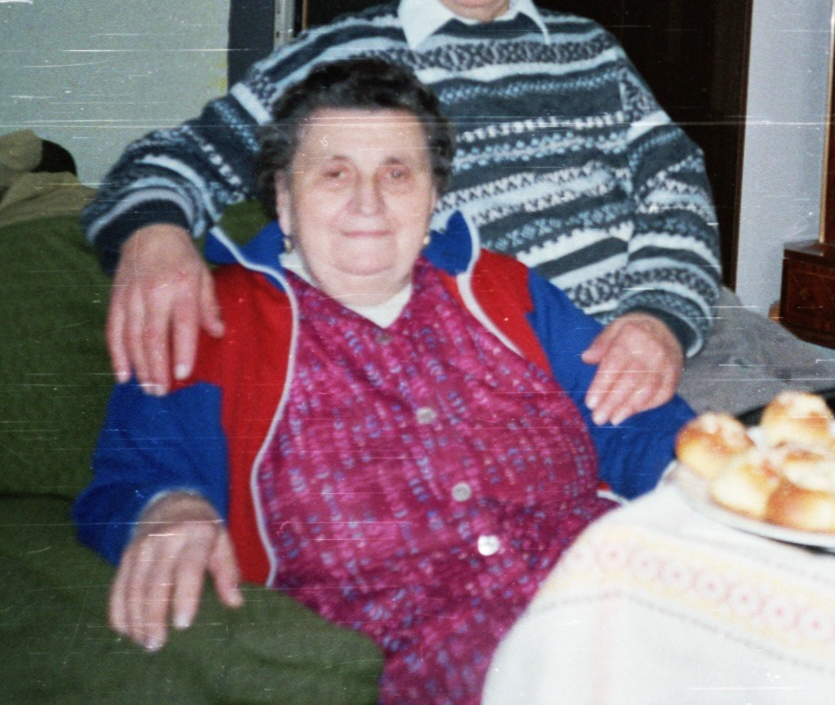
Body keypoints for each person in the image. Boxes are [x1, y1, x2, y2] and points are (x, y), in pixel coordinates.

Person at [81, 0, 719, 425]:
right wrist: (154, 240)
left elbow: (676, 187)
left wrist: (659, 320)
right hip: (499, 394)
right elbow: (165, 162)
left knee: (811, 426)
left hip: (656, 352)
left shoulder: (591, 53)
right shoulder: (334, 64)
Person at [73, 58, 694, 702]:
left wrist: (700, 476)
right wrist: (167, 505)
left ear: (432, 198)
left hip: (609, 584)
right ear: (284, 199)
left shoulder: (503, 288)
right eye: (335, 173)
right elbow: (129, 479)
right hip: (433, 653)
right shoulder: (213, 320)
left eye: (397, 174)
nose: (367, 202)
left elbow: (632, 416)